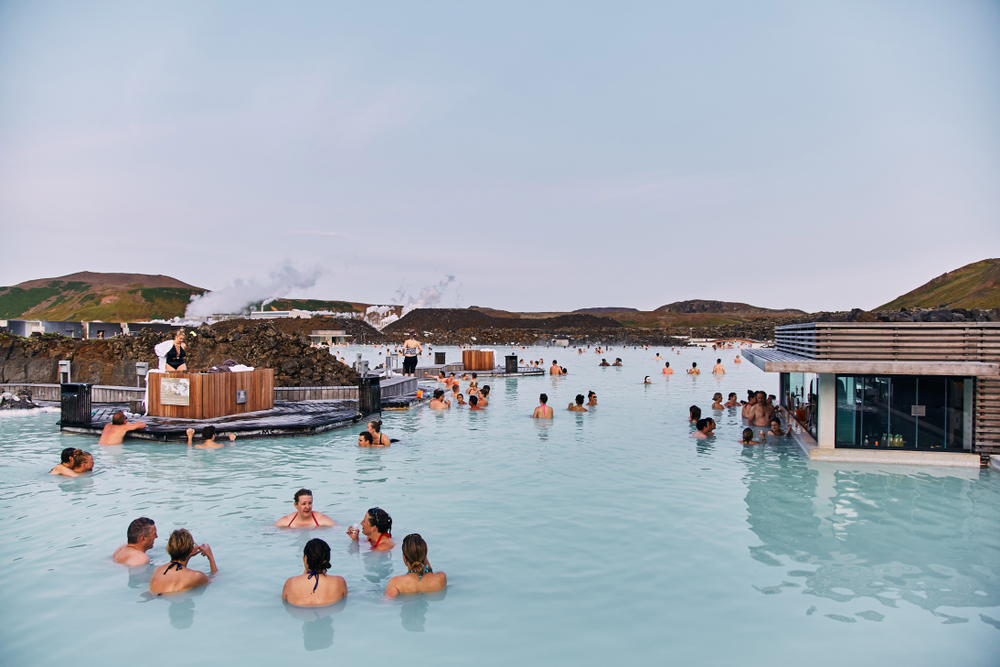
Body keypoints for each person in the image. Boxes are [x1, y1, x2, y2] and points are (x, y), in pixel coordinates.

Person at [149, 528, 217, 595]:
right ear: (190, 550)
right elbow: (215, 580)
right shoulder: (196, 576)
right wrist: (210, 557)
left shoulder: (157, 570)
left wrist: (188, 556)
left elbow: (176, 569)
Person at [282, 538, 348, 607]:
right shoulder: (339, 582)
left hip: (300, 615)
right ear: (327, 560)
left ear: (305, 558)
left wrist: (302, 578)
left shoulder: (290, 583)